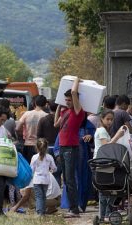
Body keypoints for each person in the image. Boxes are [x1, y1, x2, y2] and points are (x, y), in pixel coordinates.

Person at [54, 77, 85, 218]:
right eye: (65, 100)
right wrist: (59, 107)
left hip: (71, 148)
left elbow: (73, 91)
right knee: (66, 179)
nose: (67, 102)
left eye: (69, 100)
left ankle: (74, 210)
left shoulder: (79, 112)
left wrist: (77, 80)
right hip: (63, 147)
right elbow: (56, 124)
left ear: (75, 100)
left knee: (70, 179)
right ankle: (73, 208)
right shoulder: (65, 112)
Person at [93, 109, 125, 222]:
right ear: (102, 119)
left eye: (111, 119)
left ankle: (104, 215)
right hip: (102, 163)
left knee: (104, 190)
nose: (110, 122)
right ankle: (106, 215)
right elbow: (106, 147)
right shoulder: (101, 130)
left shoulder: (103, 130)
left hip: (103, 162)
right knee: (110, 188)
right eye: (107, 119)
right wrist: (118, 135)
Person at [31, 138, 57, 216]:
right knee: (43, 196)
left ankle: (39, 213)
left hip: (36, 180)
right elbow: (54, 168)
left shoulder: (34, 157)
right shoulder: (49, 157)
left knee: (38, 196)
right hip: (46, 180)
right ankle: (42, 212)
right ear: (47, 147)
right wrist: (51, 171)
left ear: (37, 147)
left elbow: (31, 169)